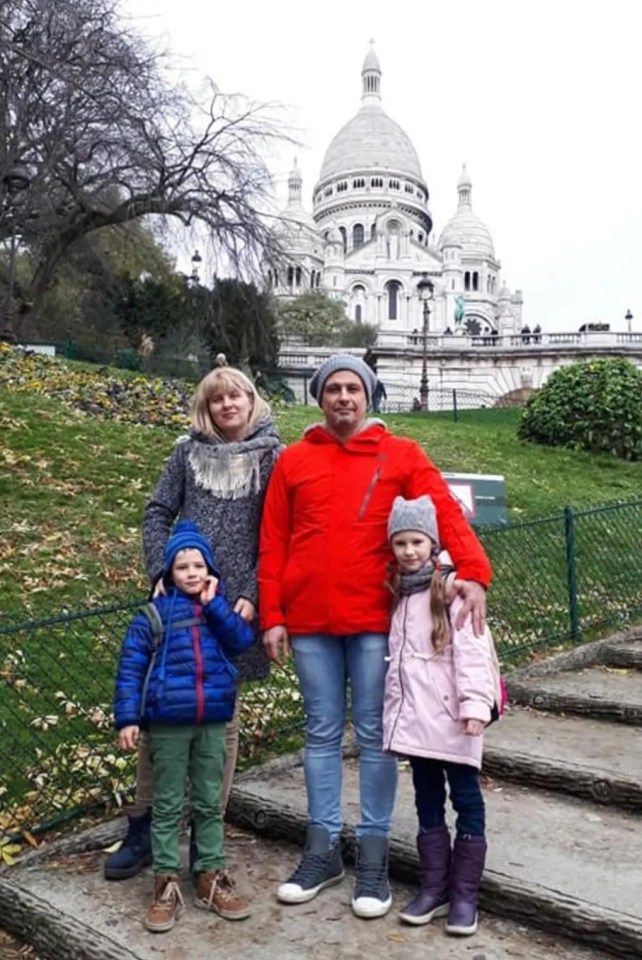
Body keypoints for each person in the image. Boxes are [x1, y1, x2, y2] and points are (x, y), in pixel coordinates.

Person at [259, 354, 491, 920]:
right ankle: (321, 851)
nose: (343, 397)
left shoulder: (400, 454)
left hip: (372, 618)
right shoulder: (293, 460)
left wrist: (474, 571)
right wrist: (272, 613)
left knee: (374, 734)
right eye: (333, 388)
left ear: (369, 396)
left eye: (353, 388)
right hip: (309, 619)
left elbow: (442, 509)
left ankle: (372, 856)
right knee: (318, 733)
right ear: (320, 398)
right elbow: (273, 539)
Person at [105, 366, 282, 880]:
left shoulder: (274, 457)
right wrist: (163, 567)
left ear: (252, 401)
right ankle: (143, 828)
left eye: (237, 396)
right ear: (206, 406)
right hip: (179, 603)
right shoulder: (187, 452)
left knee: (221, 720)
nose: (228, 405)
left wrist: (251, 591)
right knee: (161, 711)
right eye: (218, 398)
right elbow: (157, 511)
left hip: (233, 608)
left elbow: (277, 529)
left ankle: (209, 831)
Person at [114, 521, 254, 931]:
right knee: (168, 804)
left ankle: (209, 873)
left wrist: (215, 606)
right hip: (168, 724)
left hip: (212, 720)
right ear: (168, 574)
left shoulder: (217, 610)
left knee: (210, 801)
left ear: (209, 570)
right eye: (182, 567)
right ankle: (166, 880)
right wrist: (127, 718)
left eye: (198, 565)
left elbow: (241, 641)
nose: (191, 574)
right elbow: (130, 668)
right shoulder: (153, 616)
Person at [382, 496, 497, 937]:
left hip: (453, 718)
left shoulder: (452, 590)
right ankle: (435, 886)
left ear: (433, 542)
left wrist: (474, 707)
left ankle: (466, 893)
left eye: (417, 541)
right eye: (401, 543)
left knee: (466, 799)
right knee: (426, 799)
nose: (409, 551)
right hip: (417, 722)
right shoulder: (398, 593)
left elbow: (471, 652)